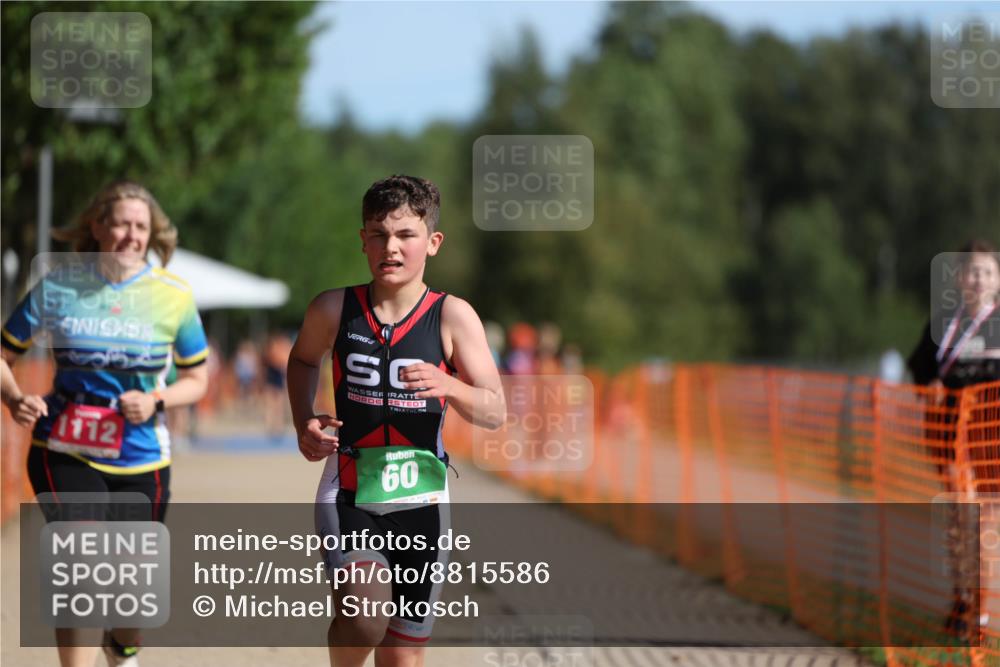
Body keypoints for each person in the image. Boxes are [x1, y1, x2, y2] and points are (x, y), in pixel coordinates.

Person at [287, 175, 504, 667]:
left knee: (401, 655)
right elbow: (302, 360)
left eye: (406, 234)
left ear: (432, 242)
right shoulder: (333, 308)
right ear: (362, 240)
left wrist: (448, 384)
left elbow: (495, 410)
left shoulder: (453, 316)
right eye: (379, 234)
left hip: (423, 499)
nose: (392, 247)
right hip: (350, 491)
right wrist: (304, 421)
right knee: (364, 616)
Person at [0, 180, 210, 667]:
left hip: (142, 455)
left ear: (151, 234)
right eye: (121, 223)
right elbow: (4, 355)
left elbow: (197, 377)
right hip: (63, 447)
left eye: (141, 226)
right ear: (97, 226)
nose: (131, 235)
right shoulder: (57, 287)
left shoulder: (174, 296)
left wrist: (157, 398)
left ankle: (121, 649)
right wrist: (14, 398)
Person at [906, 239, 1000, 635]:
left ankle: (979, 601)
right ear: (960, 278)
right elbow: (920, 370)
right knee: (961, 518)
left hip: (991, 440)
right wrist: (931, 390)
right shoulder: (944, 326)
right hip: (952, 440)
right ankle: (966, 599)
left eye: (987, 272)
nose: (978, 280)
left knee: (985, 520)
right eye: (972, 272)